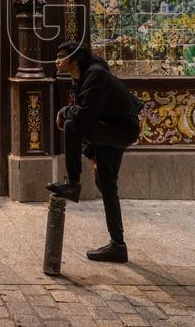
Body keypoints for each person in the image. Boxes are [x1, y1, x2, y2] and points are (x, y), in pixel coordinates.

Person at [46, 42, 141, 263]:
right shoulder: (81, 78)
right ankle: (118, 246)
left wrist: (62, 112)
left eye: (60, 56)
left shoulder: (95, 75)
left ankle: (73, 183)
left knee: (71, 124)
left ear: (74, 59)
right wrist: (92, 153)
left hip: (120, 130)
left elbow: (85, 113)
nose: (56, 61)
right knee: (107, 186)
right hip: (110, 130)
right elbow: (91, 114)